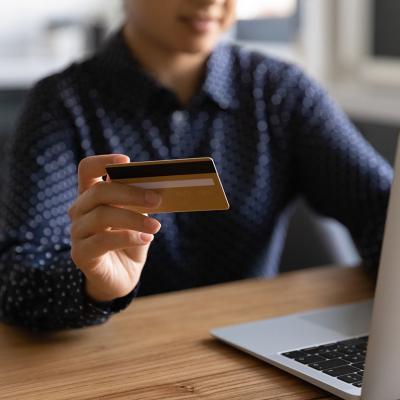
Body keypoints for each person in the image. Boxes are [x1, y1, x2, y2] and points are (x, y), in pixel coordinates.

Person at [0, 0, 392, 331]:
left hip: (256, 346)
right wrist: (95, 286)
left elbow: (381, 210)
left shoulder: (278, 92)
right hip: (111, 356)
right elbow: (17, 278)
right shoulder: (61, 104)